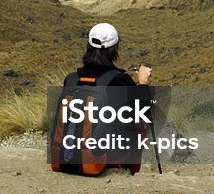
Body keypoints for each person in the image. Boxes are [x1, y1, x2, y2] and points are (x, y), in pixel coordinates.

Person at [58, 22, 153, 174]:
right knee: (138, 125)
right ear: (115, 50)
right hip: (106, 158)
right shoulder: (120, 81)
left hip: (67, 157)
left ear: (89, 47)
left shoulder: (71, 80)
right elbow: (144, 113)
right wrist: (142, 83)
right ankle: (125, 167)